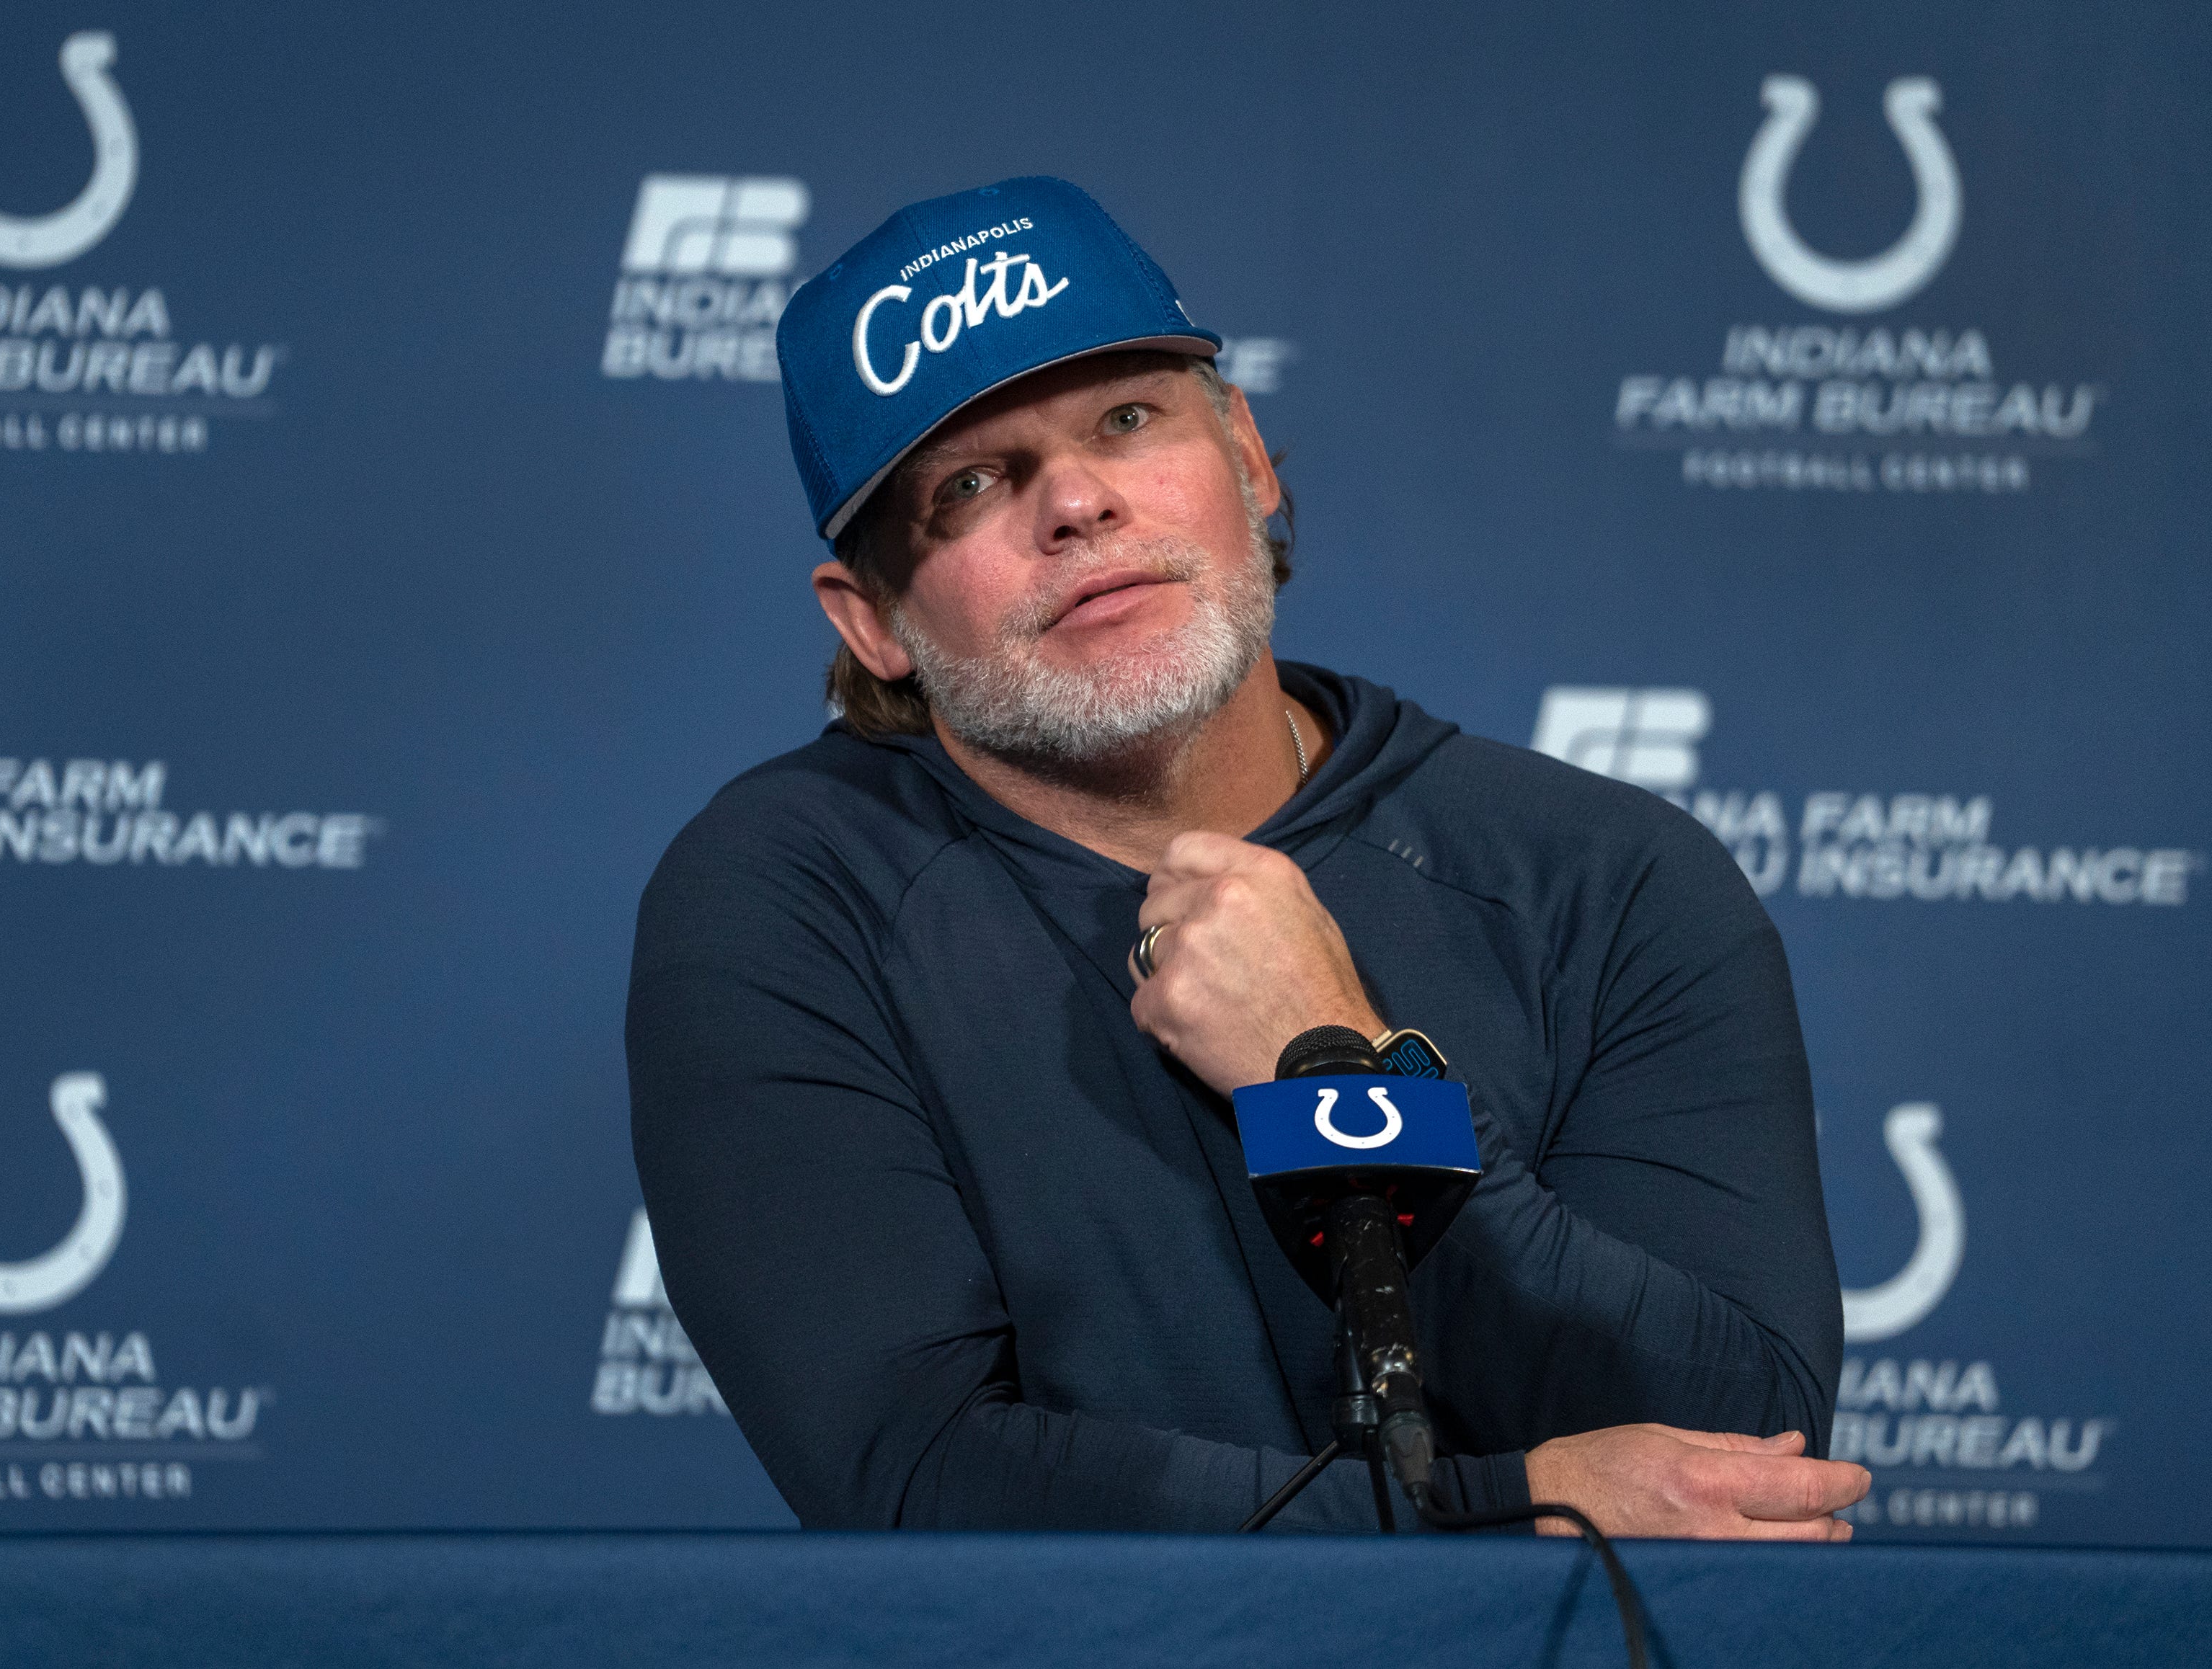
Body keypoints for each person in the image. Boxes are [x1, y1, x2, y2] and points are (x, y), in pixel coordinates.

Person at [627, 177, 1868, 1537]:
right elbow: (914, 1482)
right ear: (871, 622)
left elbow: (1748, 1454)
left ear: (1250, 460)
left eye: (1126, 419)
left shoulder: (1603, 875)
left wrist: (1338, 1075)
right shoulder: (789, 897)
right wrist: (1512, 1507)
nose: (1078, 502)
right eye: (970, 485)